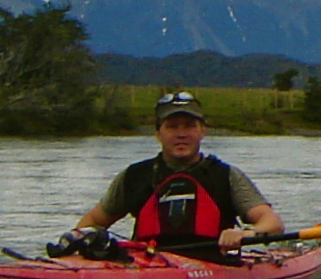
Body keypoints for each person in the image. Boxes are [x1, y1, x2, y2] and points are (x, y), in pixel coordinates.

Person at [61, 92, 286, 259]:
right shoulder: (134, 176)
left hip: (213, 265)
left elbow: (272, 223)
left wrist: (247, 233)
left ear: (202, 131)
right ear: (158, 133)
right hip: (148, 265)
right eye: (172, 126)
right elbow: (94, 222)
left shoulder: (226, 176)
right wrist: (77, 243)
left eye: (189, 126)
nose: (181, 134)